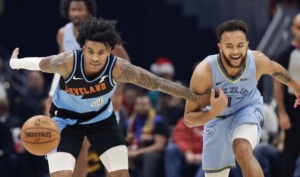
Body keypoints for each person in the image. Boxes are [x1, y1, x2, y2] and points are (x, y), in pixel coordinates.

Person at [9, 17, 209, 177]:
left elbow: (157, 82)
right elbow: (40, 63)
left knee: (121, 173)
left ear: (110, 51)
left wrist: (192, 96)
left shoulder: (118, 68)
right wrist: (15, 64)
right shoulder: (67, 62)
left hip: (101, 120)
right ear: (82, 48)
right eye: (90, 51)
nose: (95, 58)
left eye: (101, 52)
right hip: (65, 121)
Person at [184, 19, 300, 177]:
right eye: (229, 46)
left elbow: (277, 70)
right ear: (220, 47)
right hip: (217, 118)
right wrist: (212, 112)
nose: (235, 51)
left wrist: (297, 89)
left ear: (247, 45)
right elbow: (189, 119)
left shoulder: (257, 60)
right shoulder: (204, 72)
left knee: (242, 148)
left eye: (240, 45)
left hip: (247, 109)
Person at [49, 1, 131, 177]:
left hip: (102, 97)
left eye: (80, 9)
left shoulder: (101, 34)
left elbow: (125, 64)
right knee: (79, 148)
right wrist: (52, 95)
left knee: (112, 150)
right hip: (74, 100)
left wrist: (118, 92)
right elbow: (59, 69)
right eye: (73, 9)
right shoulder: (63, 33)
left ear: (88, 11)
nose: (76, 13)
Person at [273, 13, 300, 177]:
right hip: (293, 108)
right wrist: (282, 113)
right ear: (293, 29)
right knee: (290, 154)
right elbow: (277, 85)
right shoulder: (285, 54)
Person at [126, 94, 168, 177]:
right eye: (138, 105)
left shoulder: (158, 121)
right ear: (134, 106)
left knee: (150, 157)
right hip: (132, 151)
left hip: (150, 153)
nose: (141, 107)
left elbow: (159, 146)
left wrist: (137, 152)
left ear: (150, 105)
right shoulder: (129, 122)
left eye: (144, 104)